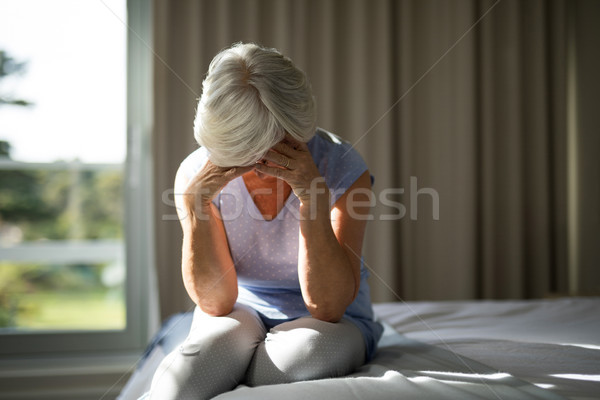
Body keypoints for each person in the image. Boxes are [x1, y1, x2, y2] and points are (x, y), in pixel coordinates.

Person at [148, 42, 383, 400]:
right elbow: (216, 304)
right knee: (185, 378)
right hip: (240, 309)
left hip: (333, 322)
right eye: (244, 151)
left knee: (298, 359)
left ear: (297, 130)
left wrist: (312, 197)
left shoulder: (342, 166)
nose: (261, 169)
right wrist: (197, 206)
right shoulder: (197, 173)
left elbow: (329, 307)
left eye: (274, 147)